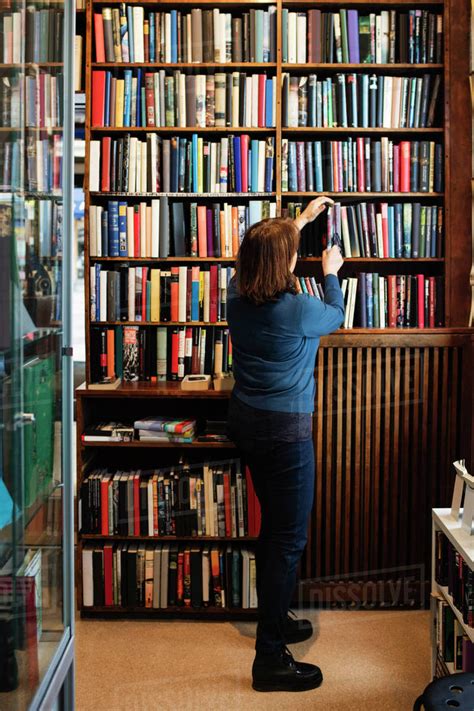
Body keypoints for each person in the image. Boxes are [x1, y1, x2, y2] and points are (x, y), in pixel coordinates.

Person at [226, 197, 345, 693]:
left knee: (272, 531)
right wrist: (332, 271)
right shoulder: (299, 309)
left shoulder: (236, 292)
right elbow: (336, 315)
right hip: (285, 433)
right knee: (287, 541)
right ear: (286, 264)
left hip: (247, 422)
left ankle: (275, 619)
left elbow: (266, 253)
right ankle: (269, 658)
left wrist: (299, 221)